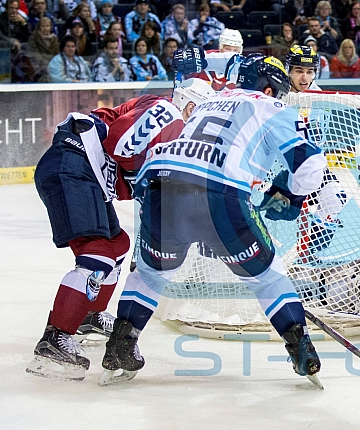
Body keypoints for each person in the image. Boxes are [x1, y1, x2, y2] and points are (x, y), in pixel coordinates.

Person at [99, 55, 325, 385]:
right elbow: (310, 166)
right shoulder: (272, 107)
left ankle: (120, 345)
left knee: (150, 274)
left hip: (161, 185)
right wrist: (290, 194)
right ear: (268, 87)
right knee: (268, 278)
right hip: (221, 195)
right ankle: (302, 352)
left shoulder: (212, 100)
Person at [26, 78, 216, 380]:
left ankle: (88, 314)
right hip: (74, 164)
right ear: (190, 105)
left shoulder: (170, 125)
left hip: (85, 172)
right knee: (97, 252)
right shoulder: (168, 112)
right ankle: (54, 339)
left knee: (116, 245)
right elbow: (120, 144)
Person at [27, 16, 59, 82]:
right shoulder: (33, 38)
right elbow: (35, 53)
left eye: (47, 26)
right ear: (39, 27)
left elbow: (56, 54)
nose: (45, 29)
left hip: (52, 64)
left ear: (51, 27)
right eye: (42, 26)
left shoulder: (54, 39)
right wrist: (46, 63)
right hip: (37, 64)